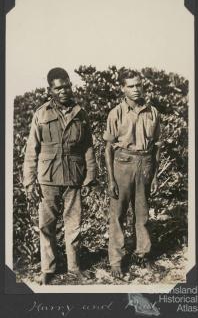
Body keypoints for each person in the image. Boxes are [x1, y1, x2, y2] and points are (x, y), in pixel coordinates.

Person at [23, 67, 96, 284]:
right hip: (47, 178)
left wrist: (91, 175)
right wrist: (29, 181)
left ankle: (74, 268)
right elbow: (30, 150)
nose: (64, 91)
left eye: (67, 86)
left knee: (74, 225)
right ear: (50, 90)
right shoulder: (41, 113)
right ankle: (48, 269)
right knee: (47, 226)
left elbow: (88, 147)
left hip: (74, 176)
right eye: (58, 88)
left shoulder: (80, 113)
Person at [103, 70, 161, 278]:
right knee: (117, 215)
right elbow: (108, 148)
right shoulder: (116, 113)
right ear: (122, 88)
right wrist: (110, 179)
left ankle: (142, 255)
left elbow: (155, 146)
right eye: (131, 86)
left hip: (145, 163)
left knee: (143, 215)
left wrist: (154, 175)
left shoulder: (153, 112)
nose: (136, 89)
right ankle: (116, 261)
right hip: (122, 164)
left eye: (139, 85)